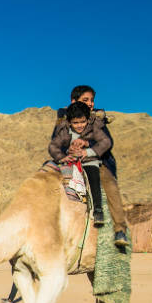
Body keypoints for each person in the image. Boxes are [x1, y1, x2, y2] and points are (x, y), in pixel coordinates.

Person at [48, 101, 129, 248]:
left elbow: (105, 142)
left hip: (89, 161)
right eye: (75, 123)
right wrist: (62, 157)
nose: (79, 125)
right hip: (69, 162)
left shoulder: (94, 128)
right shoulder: (64, 130)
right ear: (69, 122)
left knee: (93, 176)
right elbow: (53, 146)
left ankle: (98, 210)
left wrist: (88, 151)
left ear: (87, 119)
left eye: (82, 122)